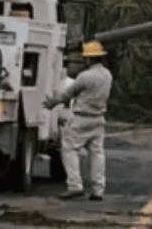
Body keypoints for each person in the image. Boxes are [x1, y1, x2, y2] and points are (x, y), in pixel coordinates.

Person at [43, 40, 113, 201]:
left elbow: (68, 95)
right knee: (97, 153)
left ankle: (75, 185)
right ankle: (98, 190)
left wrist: (52, 102)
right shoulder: (108, 75)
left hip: (82, 118)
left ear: (89, 59)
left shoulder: (85, 77)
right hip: (99, 118)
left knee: (69, 148)